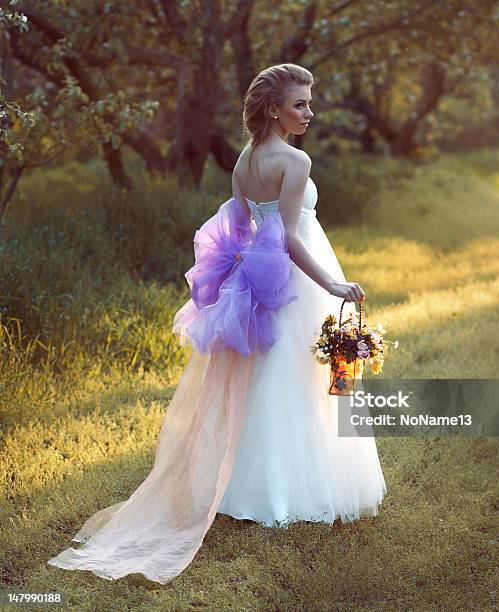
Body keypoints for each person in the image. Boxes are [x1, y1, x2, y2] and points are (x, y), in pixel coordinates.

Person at [47, 63, 387, 585]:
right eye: (301, 104)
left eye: (310, 102)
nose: (309, 112)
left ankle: (241, 488)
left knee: (265, 380)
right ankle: (286, 491)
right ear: (274, 109)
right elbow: (291, 238)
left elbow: (246, 226)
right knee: (299, 380)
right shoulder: (295, 161)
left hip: (259, 274)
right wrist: (333, 286)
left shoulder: (246, 160)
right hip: (295, 276)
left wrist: (246, 279)